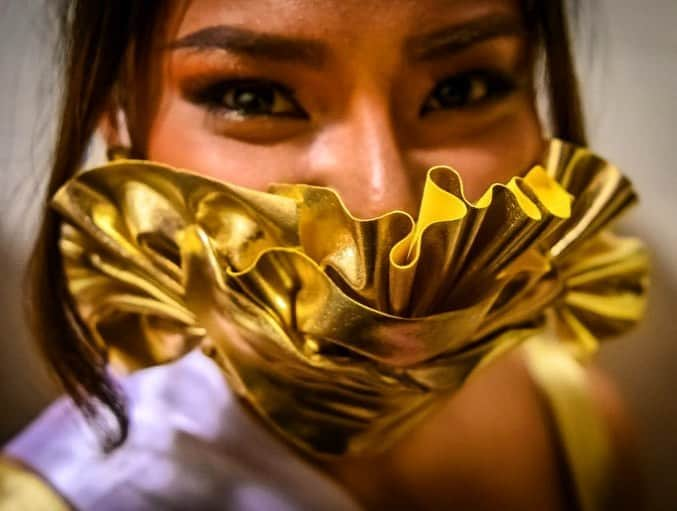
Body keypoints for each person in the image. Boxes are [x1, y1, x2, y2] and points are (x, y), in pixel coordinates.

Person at [1, 1, 643, 509]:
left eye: (462, 89)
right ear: (117, 116)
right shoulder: (71, 493)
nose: (382, 203)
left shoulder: (569, 411)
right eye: (254, 97)